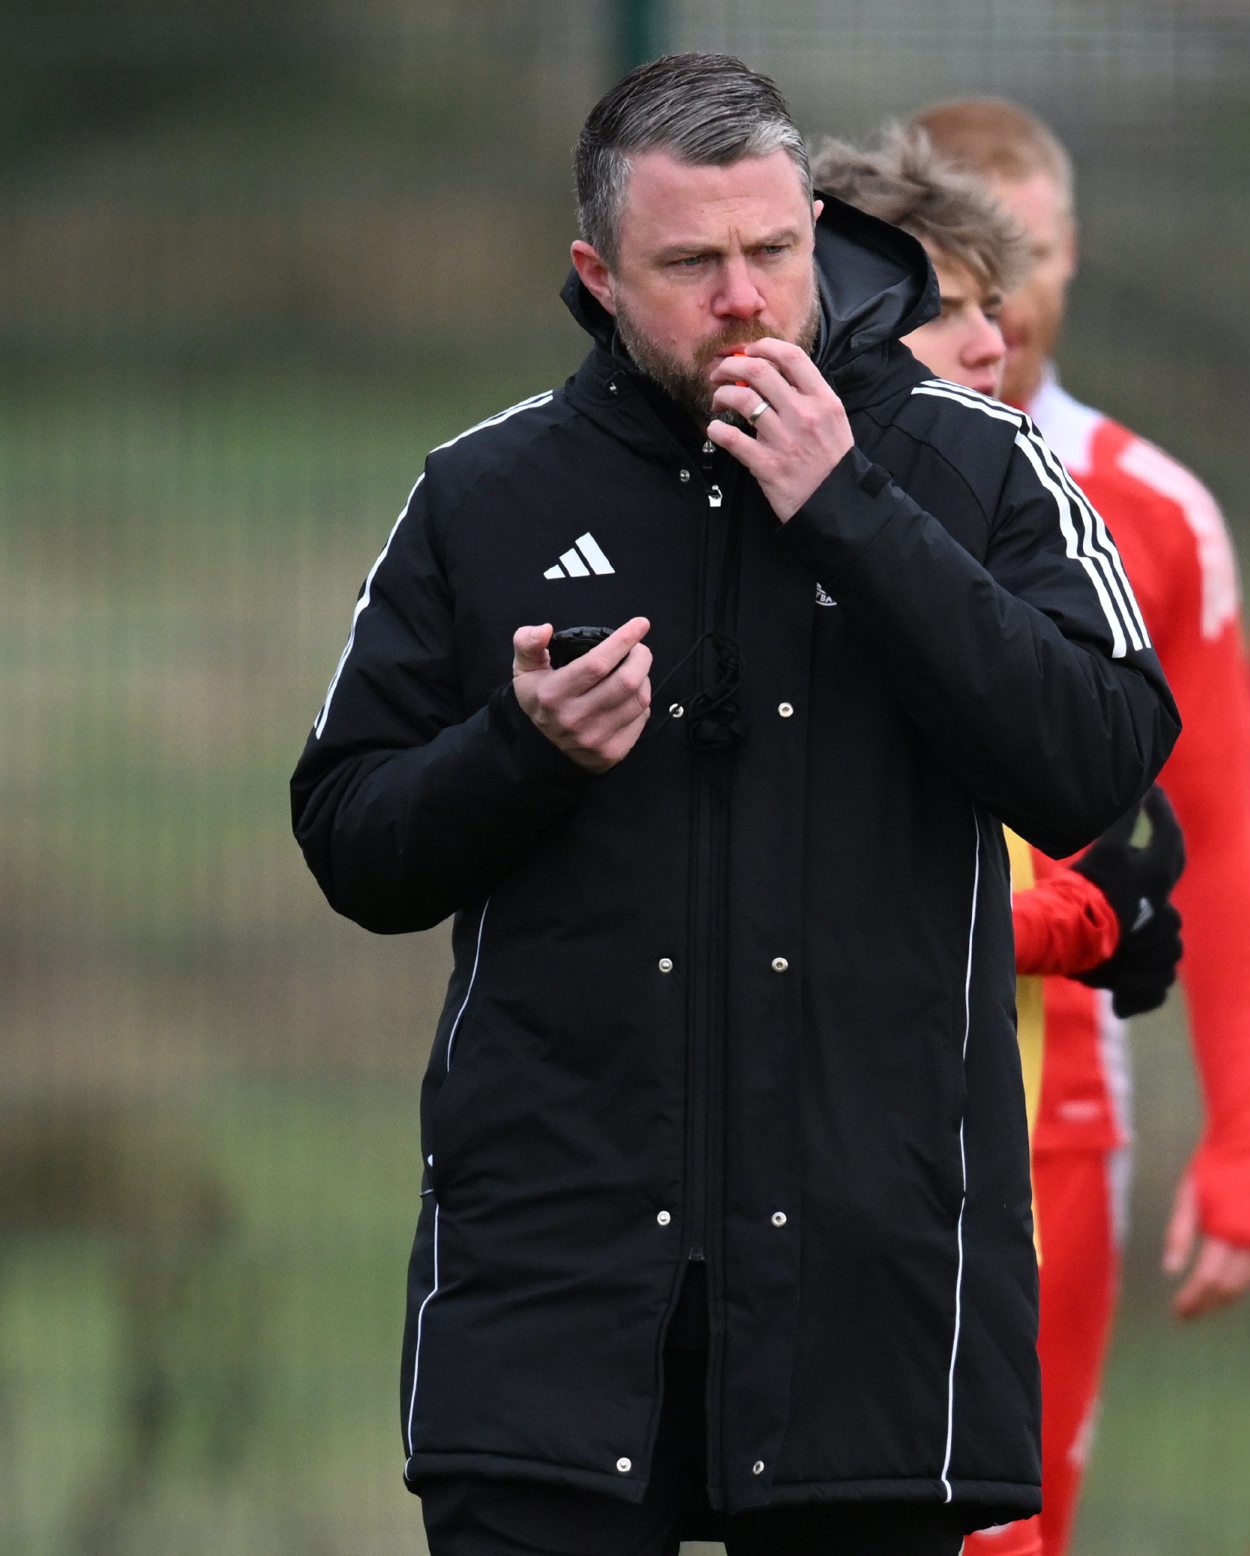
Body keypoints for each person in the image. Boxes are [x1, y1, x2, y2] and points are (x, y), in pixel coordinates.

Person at [291, 54, 1179, 1556]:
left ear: (813, 226)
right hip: (552, 1304)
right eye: (690, 263)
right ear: (598, 273)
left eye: (773, 250)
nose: (746, 297)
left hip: (868, 1296)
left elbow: (1099, 756)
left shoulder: (971, 465)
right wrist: (520, 748)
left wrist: (850, 511)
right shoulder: (485, 490)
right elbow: (351, 837)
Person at [910, 97, 1250, 1556]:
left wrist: (1244, 1141)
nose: (1006, 305)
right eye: (963, 274)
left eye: (1035, 257)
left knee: (1009, 1528)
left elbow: (1212, 839)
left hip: (1051, 1109)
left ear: (1075, 257)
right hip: (815, 1103)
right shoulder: (795, 483)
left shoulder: (1157, 510)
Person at [810, 123, 1188, 1130]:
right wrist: (1076, 920)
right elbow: (822, 916)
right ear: (850, 319)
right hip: (858, 1165)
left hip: (980, 1143)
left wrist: (1101, 900)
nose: (995, 339)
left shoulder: (1019, 520)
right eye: (952, 311)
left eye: (996, 303)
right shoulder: (801, 562)